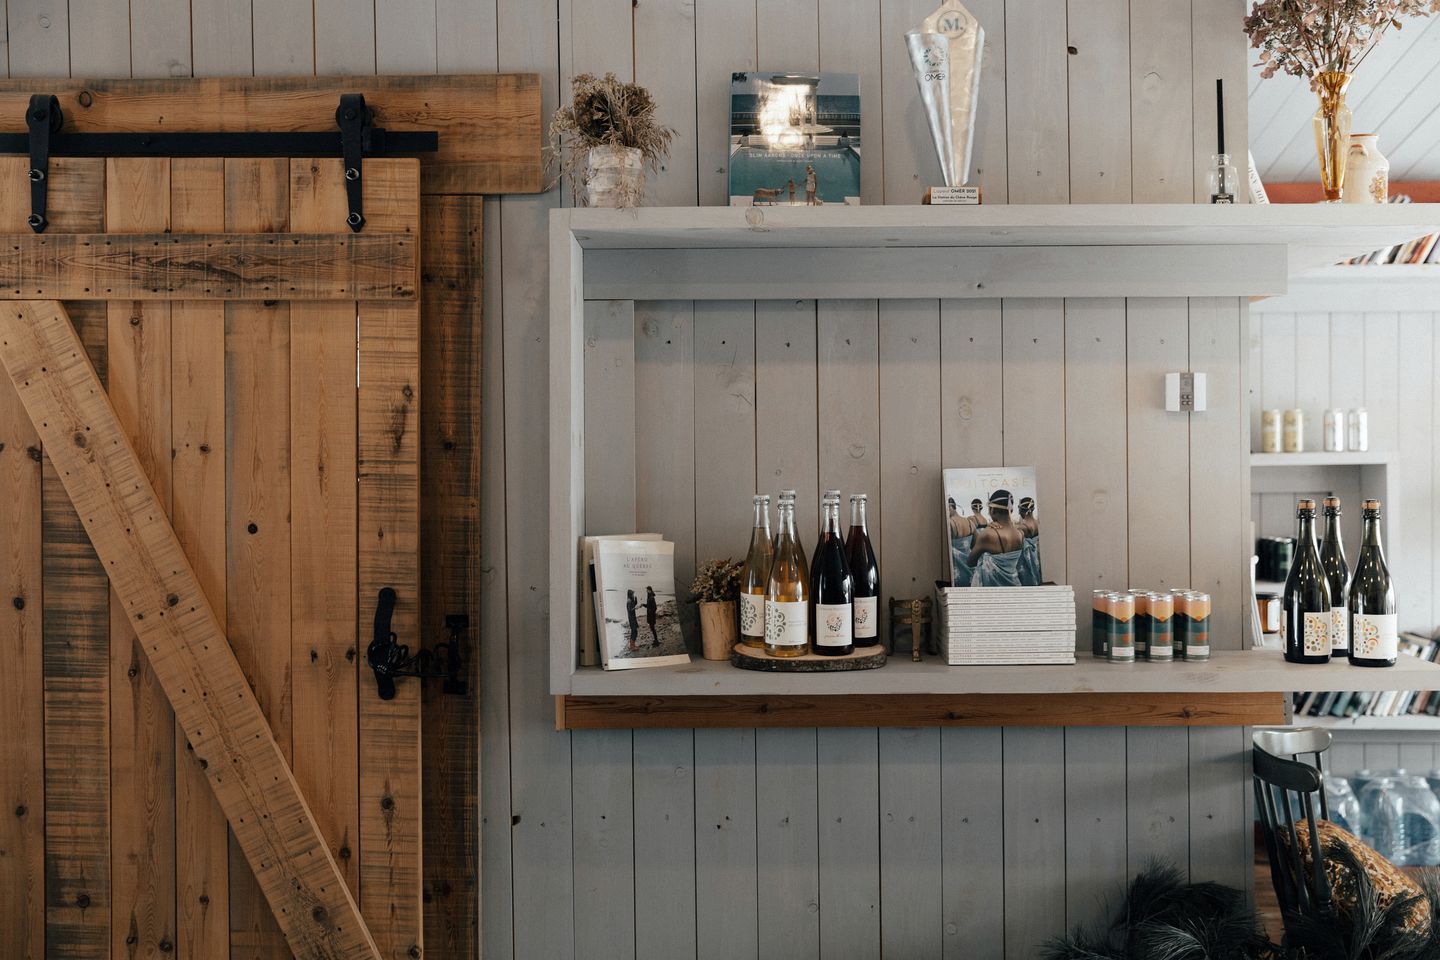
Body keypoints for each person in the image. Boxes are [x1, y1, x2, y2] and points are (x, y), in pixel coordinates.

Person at [968, 490, 1025, 586]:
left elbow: (970, 562)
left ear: (992, 510)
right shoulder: (1020, 533)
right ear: (1011, 510)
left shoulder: (988, 534)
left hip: (992, 587)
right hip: (1014, 586)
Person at [948, 496, 978, 587]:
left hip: (956, 570)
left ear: (950, 507)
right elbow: (976, 545)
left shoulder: (949, 523)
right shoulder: (970, 522)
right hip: (970, 568)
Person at [1017, 497, 1042, 586]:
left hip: (1028, 558)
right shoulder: (1038, 523)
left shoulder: (1022, 527)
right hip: (1037, 555)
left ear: (1021, 509)